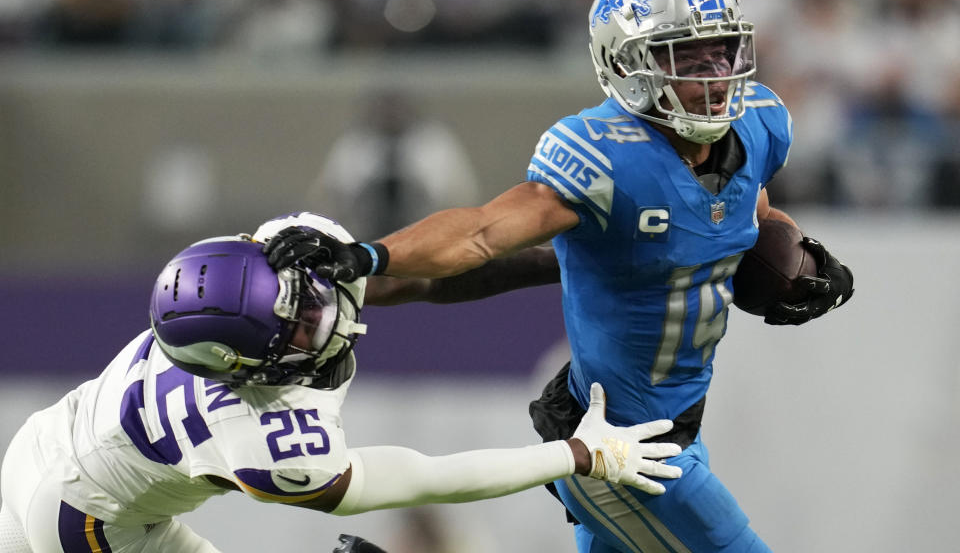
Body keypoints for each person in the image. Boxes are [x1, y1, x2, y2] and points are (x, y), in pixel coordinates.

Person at [263, 0, 855, 553]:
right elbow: (482, 231)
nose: (711, 77)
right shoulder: (606, 153)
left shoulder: (757, 124)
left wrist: (794, 250)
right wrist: (367, 255)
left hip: (675, 426)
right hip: (620, 440)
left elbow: (750, 206)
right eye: (685, 58)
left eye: (719, 52)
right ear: (627, 64)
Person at [0, 211, 682, 553]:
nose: (322, 319)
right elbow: (425, 477)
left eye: (307, 300)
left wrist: (566, 265)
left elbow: (413, 276)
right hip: (87, 522)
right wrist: (579, 455)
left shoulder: (287, 256)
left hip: (52, 442)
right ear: (249, 370)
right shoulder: (261, 436)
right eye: (296, 331)